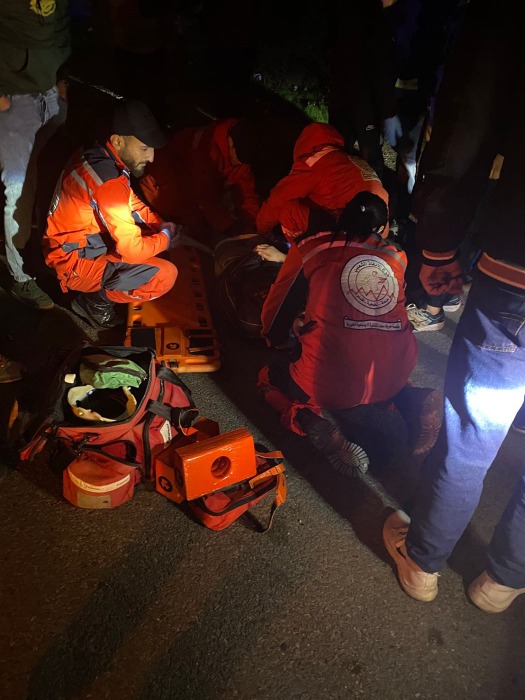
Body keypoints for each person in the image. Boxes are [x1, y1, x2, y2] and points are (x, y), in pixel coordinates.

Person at [382, 2, 525, 613]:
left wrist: (438, 246)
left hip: (516, 278)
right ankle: (504, 580)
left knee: (471, 432)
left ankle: (423, 560)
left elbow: (469, 118)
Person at [258, 192, 441, 476]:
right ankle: (413, 401)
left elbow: (279, 307)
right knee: (379, 360)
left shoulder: (312, 247)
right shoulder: (397, 256)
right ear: (383, 228)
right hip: (395, 372)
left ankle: (307, 419)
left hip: (330, 385)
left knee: (269, 377)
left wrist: (274, 338)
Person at [44, 99, 181, 330]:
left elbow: (132, 203)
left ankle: (100, 288)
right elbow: (132, 250)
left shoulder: (100, 156)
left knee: (151, 239)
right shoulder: (108, 181)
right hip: (72, 262)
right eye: (144, 148)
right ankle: (96, 302)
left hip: (77, 243)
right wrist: (165, 238)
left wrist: (159, 224)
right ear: (118, 140)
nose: (151, 158)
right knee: (165, 276)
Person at [0, 0, 70, 310]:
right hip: (13, 99)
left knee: (45, 177)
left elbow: (61, 21)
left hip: (49, 93)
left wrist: (61, 78)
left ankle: (40, 253)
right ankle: (21, 276)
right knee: (18, 191)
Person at [256, 122, 389, 241]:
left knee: (288, 210)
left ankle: (300, 253)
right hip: (379, 228)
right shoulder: (346, 159)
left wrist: (261, 230)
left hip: (354, 227)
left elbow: (279, 197)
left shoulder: (312, 163)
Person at [139, 117, 260, 247]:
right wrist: (228, 229)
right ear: (230, 142)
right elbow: (202, 197)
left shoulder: (242, 149)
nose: (238, 162)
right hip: (163, 182)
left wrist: (253, 226)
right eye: (238, 157)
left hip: (195, 186)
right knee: (193, 230)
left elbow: (246, 190)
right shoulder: (206, 148)